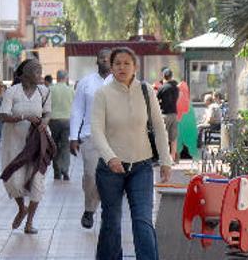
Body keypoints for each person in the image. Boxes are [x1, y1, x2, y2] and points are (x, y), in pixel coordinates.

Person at [92, 47, 172, 260]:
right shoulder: (102, 94)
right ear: (111, 66)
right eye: (117, 63)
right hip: (110, 170)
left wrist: (166, 160)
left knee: (143, 220)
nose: (122, 67)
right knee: (111, 221)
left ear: (135, 66)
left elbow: (159, 127)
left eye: (127, 63)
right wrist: (110, 157)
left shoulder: (146, 91)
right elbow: (96, 131)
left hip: (142, 167)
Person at [0, 59, 52, 234]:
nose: (40, 75)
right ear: (26, 74)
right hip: (14, 142)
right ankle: (22, 208)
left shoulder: (44, 91)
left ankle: (29, 222)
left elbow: (48, 112)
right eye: (36, 72)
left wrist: (44, 121)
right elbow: (4, 116)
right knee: (15, 181)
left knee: (37, 181)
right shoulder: (12, 91)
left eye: (40, 71)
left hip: (37, 142)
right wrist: (24, 117)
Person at [69, 48, 112, 229]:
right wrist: (73, 136)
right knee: (90, 175)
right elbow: (77, 110)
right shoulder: (85, 83)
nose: (105, 61)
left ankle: (108, 210)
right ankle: (89, 209)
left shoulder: (122, 82)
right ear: (97, 61)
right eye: (101, 58)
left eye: (108, 58)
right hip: (90, 136)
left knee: (112, 177)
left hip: (116, 138)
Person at [49, 70, 75, 180]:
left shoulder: (50, 90)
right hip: (67, 120)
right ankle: (65, 169)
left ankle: (57, 171)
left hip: (53, 120)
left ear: (57, 77)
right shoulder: (71, 90)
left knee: (54, 146)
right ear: (66, 78)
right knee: (65, 146)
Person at [156, 68, 181, 164]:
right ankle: (172, 158)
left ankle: (164, 158)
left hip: (164, 114)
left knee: (163, 137)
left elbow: (156, 100)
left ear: (163, 76)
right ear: (171, 76)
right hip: (174, 114)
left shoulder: (162, 88)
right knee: (173, 138)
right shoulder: (176, 88)